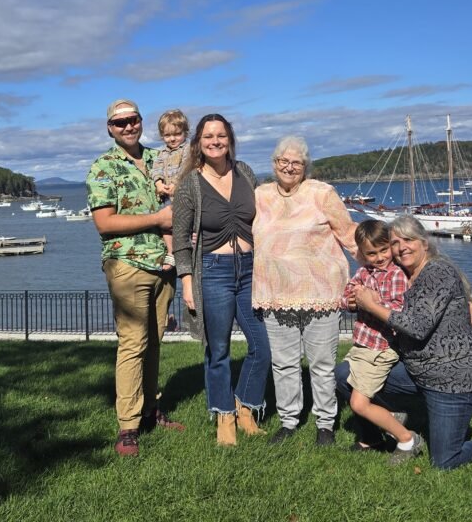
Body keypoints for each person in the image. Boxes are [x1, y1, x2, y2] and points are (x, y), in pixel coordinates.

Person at [348, 214, 472, 468]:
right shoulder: (400, 275)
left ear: (424, 243)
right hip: (413, 371)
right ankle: (379, 433)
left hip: (450, 379)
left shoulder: (438, 272)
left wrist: (371, 306)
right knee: (346, 375)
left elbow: (417, 327)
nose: (401, 247)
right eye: (395, 242)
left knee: (444, 460)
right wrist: (356, 301)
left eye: (408, 240)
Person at [87, 99, 183, 458]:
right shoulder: (103, 167)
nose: (128, 126)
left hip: (163, 265)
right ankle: (128, 426)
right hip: (127, 264)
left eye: (134, 120)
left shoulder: (161, 159)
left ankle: (150, 411)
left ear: (142, 122)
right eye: (120, 122)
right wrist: (157, 220)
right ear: (110, 128)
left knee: (155, 341)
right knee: (132, 343)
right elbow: (105, 223)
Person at [252, 136, 357, 446]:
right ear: (274, 165)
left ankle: (325, 423)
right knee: (283, 363)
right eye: (283, 161)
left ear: (305, 167)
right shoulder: (260, 195)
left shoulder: (322, 193)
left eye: (296, 162)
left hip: (320, 292)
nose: (289, 167)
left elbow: (348, 232)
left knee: (322, 363)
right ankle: (288, 420)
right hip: (274, 293)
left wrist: (379, 267)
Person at [172, 113, 270, 446]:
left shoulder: (245, 173)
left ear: (230, 139)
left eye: (222, 135)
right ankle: (223, 415)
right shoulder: (190, 184)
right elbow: (181, 238)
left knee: (261, 348)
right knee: (219, 350)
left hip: (250, 270)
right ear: (198, 142)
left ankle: (244, 405)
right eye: (209, 136)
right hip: (212, 272)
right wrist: (187, 282)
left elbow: (265, 219)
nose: (216, 141)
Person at [340, 219, 415, 454]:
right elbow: (345, 296)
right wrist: (352, 302)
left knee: (358, 403)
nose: (380, 257)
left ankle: (407, 439)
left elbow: (398, 309)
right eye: (372, 253)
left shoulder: (396, 275)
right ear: (362, 253)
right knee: (346, 383)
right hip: (363, 344)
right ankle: (390, 419)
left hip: (380, 348)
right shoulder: (364, 272)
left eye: (384, 250)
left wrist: (371, 301)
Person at [151, 109, 191, 269]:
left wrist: (175, 183)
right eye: (167, 136)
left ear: (185, 132)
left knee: (185, 222)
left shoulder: (187, 149)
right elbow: (156, 168)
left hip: (182, 193)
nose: (172, 139)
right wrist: (158, 183)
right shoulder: (161, 152)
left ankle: (187, 249)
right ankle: (171, 252)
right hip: (165, 195)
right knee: (165, 225)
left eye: (177, 134)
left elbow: (186, 167)